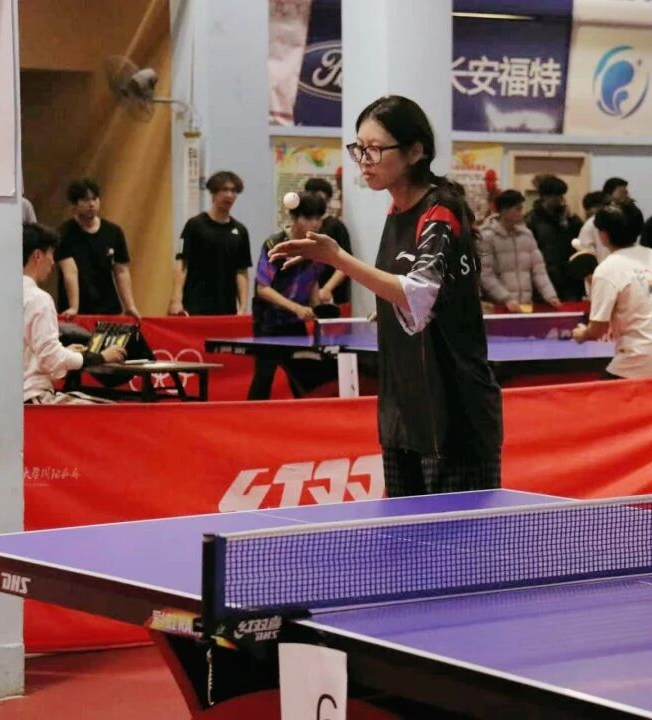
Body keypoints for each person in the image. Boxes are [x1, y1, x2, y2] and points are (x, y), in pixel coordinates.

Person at [269, 95, 503, 497]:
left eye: (375, 149)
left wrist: (337, 258)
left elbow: (419, 294)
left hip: (454, 412)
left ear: (415, 152)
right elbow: (412, 296)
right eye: (359, 148)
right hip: (403, 408)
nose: (364, 159)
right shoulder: (396, 212)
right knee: (404, 534)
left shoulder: (440, 211)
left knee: (456, 537)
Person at [573, 199, 652, 379]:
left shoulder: (607, 269)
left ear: (603, 235)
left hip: (641, 359)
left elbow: (597, 330)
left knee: (598, 395)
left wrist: (582, 334)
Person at [23, 223, 126, 404]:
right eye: (51, 254)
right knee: (110, 411)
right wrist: (99, 357)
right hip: (34, 397)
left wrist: (65, 352)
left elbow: (40, 355)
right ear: (38, 255)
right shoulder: (39, 300)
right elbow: (50, 359)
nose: (53, 262)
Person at [248, 192, 326, 400]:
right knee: (264, 376)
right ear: (295, 217)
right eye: (308, 217)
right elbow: (263, 289)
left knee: (303, 379)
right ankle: (251, 416)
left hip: (295, 324)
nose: (314, 223)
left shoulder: (317, 246)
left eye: (318, 218)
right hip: (268, 323)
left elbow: (312, 279)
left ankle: (307, 417)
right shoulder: (275, 245)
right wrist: (296, 308)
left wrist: (317, 307)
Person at [170, 171, 252, 316]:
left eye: (234, 191)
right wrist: (176, 300)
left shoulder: (240, 231)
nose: (229, 195)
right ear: (213, 192)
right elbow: (182, 263)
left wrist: (243, 307)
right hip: (195, 305)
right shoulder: (195, 225)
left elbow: (241, 271)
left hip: (226, 308)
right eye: (224, 190)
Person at [56, 178, 140, 319]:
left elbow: (121, 271)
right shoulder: (64, 234)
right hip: (78, 313)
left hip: (109, 309)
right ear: (75, 204)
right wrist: (74, 307)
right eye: (85, 200)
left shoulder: (113, 232)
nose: (92, 204)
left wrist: (130, 306)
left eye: (94, 199)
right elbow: (70, 272)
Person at [478, 189, 560, 312]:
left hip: (525, 305)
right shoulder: (487, 237)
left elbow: (539, 270)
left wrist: (550, 295)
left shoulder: (527, 235)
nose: (522, 213)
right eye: (518, 209)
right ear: (504, 210)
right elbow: (486, 274)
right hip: (500, 307)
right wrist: (506, 298)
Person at [525, 175, 584, 301]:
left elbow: (579, 240)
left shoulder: (567, 218)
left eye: (561, 196)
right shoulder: (532, 219)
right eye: (556, 196)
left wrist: (572, 220)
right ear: (545, 196)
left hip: (569, 276)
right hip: (545, 275)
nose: (560, 200)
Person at [304, 177, 353, 305]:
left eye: (322, 198)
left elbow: (346, 262)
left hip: (332, 298)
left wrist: (327, 288)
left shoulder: (336, 226)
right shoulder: (302, 226)